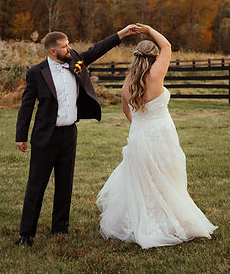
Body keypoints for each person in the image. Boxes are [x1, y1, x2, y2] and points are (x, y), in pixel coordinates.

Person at [96, 23, 218, 249]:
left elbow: (127, 111)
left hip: (139, 135)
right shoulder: (156, 74)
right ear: (153, 57)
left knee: (142, 181)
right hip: (162, 135)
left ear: (135, 57)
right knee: (168, 178)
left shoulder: (127, 84)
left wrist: (140, 125)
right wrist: (150, 30)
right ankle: (168, 220)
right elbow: (167, 45)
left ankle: (143, 221)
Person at [16, 25, 139, 247]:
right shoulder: (36, 72)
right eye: (65, 46)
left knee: (65, 184)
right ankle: (26, 233)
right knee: (36, 185)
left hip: (69, 134)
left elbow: (97, 49)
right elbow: (26, 105)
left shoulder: (76, 61)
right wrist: (20, 136)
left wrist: (121, 34)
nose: (69, 48)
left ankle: (60, 229)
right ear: (53, 51)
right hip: (45, 136)